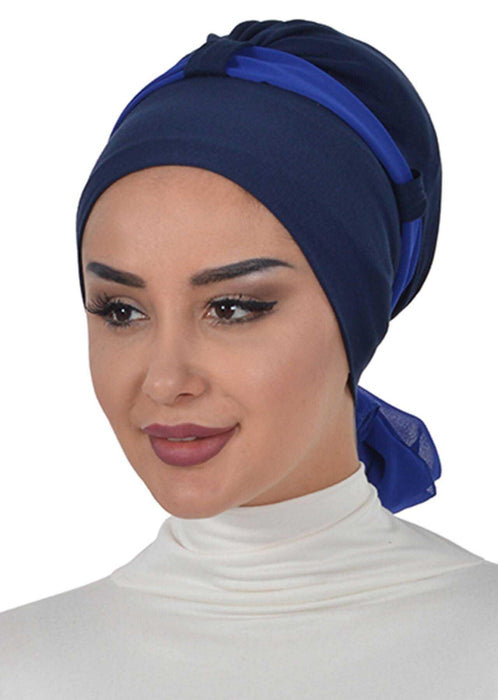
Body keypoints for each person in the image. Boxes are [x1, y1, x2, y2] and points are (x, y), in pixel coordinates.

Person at [1, 18, 497, 699]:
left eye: (233, 308)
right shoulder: (21, 664)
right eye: (121, 311)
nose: (165, 380)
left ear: (356, 313)